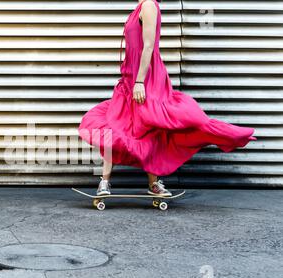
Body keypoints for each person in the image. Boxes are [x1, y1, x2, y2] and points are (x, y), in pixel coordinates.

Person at [78, 0, 256, 196]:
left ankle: (151, 183)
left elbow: (148, 46)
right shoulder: (140, 7)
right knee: (115, 124)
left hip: (145, 79)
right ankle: (106, 182)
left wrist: (139, 82)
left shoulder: (148, 5)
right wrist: (132, 80)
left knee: (151, 126)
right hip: (130, 78)